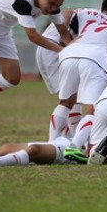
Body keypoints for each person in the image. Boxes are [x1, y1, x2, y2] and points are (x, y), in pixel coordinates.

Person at [51, 0, 107, 142]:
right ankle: (76, 147)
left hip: (69, 54)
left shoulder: (84, 12)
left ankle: (53, 143)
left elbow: (65, 22)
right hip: (95, 58)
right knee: (93, 108)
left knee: (66, 102)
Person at [35, 10, 82, 140]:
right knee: (69, 98)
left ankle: (70, 138)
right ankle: (54, 142)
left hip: (48, 47)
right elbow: (67, 13)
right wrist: (66, 40)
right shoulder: (92, 18)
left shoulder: (87, 15)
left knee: (75, 97)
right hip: (52, 49)